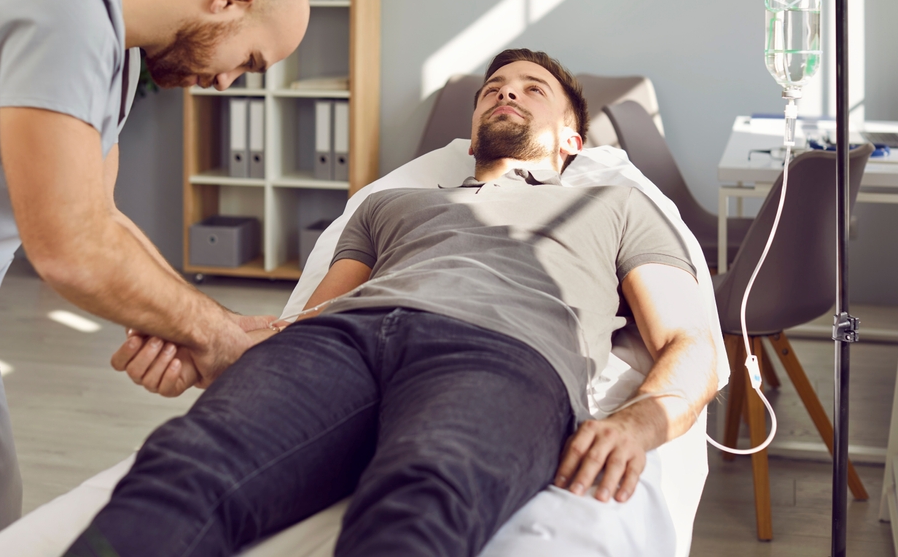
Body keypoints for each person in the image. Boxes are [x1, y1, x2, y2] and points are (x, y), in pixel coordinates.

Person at [74, 49, 719, 557]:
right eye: (493, 89)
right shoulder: (390, 203)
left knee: (419, 507)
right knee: (184, 467)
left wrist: (638, 423)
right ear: (472, 133)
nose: (506, 94)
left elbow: (690, 342)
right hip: (341, 341)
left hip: (502, 355)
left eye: (532, 89)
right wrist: (215, 342)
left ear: (571, 142)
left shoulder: (616, 204)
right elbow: (310, 316)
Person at [0, 0, 309, 557]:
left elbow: (101, 218)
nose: (228, 82)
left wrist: (206, 325)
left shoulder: (113, 40)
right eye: (248, 61)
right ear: (231, 1)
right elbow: (71, 249)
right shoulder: (63, 9)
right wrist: (217, 340)